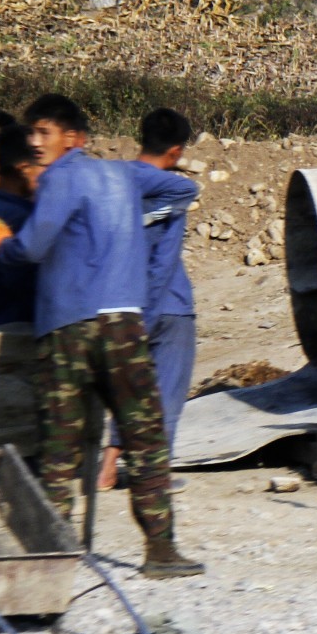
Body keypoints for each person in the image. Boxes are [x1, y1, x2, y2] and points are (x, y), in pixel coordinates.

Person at [0, 95, 199, 577]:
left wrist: (6, 246)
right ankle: (161, 550)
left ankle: (50, 558)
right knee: (145, 437)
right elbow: (180, 193)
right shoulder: (125, 174)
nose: (35, 142)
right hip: (125, 322)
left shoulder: (62, 177)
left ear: (73, 138)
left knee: (59, 447)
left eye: (44, 133)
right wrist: (132, 223)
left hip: (68, 327)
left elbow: (35, 245)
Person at [98, 108, 201, 489]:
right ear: (175, 151)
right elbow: (165, 258)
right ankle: (154, 473)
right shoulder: (173, 190)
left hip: (119, 303)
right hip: (169, 305)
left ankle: (107, 468)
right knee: (167, 390)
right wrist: (151, 310)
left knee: (129, 386)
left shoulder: (113, 179)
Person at [0, 124, 39, 328]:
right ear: (24, 170)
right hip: (10, 329)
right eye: (43, 167)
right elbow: (24, 283)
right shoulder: (21, 217)